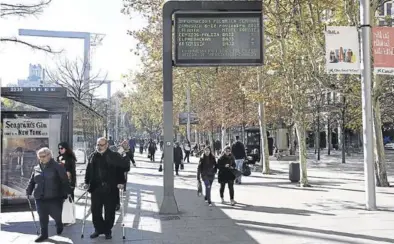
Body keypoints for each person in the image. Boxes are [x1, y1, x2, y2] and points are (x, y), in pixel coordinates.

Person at [84, 137, 129, 240]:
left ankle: (107, 230)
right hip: (96, 188)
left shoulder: (114, 155)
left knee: (109, 211)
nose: (99, 147)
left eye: (102, 145)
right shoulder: (92, 156)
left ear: (107, 145)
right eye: (98, 145)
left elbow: (122, 169)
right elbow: (88, 171)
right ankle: (98, 229)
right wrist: (86, 182)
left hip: (111, 188)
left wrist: (121, 182)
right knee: (95, 210)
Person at [26, 147, 71, 243]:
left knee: (56, 215)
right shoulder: (36, 167)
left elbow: (64, 180)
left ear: (49, 155)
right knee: (42, 216)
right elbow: (32, 181)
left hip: (54, 197)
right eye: (40, 156)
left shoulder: (57, 166)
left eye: (43, 156)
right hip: (40, 197)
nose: (41, 158)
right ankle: (44, 234)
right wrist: (29, 190)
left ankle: (59, 224)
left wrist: (68, 192)